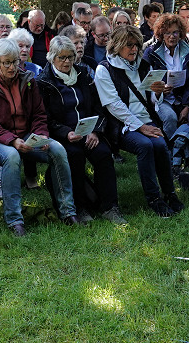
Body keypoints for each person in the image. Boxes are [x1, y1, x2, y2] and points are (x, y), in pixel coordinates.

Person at [0, 38, 79, 235]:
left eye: (15, 61)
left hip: (27, 134)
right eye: (7, 62)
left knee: (57, 149)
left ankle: (68, 211)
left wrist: (41, 135)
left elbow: (40, 114)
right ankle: (14, 219)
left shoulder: (28, 79)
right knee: (12, 156)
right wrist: (12, 140)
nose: (12, 67)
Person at [95, 25, 184, 218]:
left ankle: (169, 193)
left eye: (136, 45)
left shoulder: (144, 66)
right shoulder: (105, 69)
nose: (134, 49)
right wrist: (141, 127)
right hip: (121, 125)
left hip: (145, 120)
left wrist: (158, 93)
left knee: (160, 145)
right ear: (117, 46)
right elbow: (114, 106)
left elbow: (152, 102)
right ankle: (154, 198)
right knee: (145, 146)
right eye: (129, 45)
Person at [37, 36, 124, 223]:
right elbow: (45, 118)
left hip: (89, 131)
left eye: (70, 57)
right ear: (52, 58)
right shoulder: (44, 82)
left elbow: (98, 107)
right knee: (74, 157)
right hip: (64, 136)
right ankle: (80, 207)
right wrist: (65, 133)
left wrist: (95, 131)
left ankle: (110, 207)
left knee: (103, 154)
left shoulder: (84, 74)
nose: (67, 61)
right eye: (62, 57)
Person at [143, 12, 189, 136]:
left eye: (175, 32)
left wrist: (188, 106)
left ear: (181, 33)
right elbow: (146, 85)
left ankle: (187, 152)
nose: (171, 36)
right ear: (161, 34)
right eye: (167, 33)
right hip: (162, 101)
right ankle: (168, 152)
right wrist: (159, 91)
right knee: (170, 118)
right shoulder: (151, 53)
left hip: (184, 99)